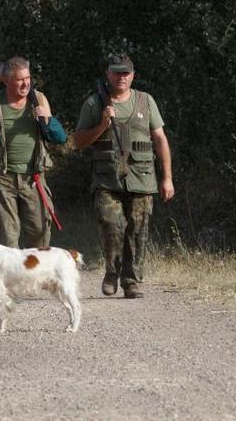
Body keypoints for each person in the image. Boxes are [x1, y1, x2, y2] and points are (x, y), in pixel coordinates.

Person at [73, 54, 174, 298]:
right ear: (108, 74)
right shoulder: (94, 104)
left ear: (133, 75)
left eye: (125, 72)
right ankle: (111, 272)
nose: (121, 77)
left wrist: (167, 177)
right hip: (107, 179)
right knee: (111, 225)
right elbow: (78, 141)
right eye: (116, 72)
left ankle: (132, 281)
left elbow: (160, 139)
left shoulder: (145, 101)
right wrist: (102, 125)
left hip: (142, 178)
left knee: (138, 230)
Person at [0, 56, 67, 248]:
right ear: (6, 80)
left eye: (28, 78)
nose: (26, 83)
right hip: (2, 179)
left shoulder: (39, 99)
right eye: (20, 79)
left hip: (33, 178)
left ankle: (35, 276)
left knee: (40, 231)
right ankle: (12, 277)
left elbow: (60, 138)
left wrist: (48, 119)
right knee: (8, 237)